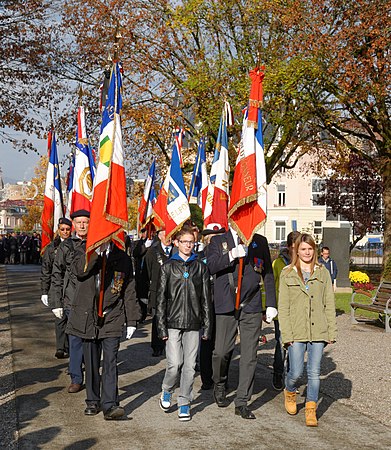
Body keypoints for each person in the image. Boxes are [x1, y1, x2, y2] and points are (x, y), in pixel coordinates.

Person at [207, 228, 277, 419]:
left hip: (252, 304)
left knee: (249, 355)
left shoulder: (260, 241)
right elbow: (210, 266)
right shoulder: (218, 240)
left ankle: (242, 401)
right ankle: (220, 382)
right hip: (226, 303)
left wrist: (270, 303)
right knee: (221, 351)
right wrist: (230, 255)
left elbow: (268, 273)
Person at [68, 240, 141, 420]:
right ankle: (92, 400)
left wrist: (132, 319)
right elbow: (79, 272)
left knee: (110, 361)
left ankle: (110, 405)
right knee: (92, 362)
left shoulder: (122, 257)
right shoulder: (82, 251)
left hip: (112, 316)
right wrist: (95, 253)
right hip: (88, 316)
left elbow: (129, 290)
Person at [279, 233, 337, 427]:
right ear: (296, 250)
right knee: (295, 371)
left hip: (318, 330)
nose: (307, 252)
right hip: (296, 331)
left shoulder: (323, 273)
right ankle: (290, 390)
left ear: (315, 250)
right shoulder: (287, 273)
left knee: (314, 372)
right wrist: (286, 335)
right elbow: (283, 307)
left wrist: (331, 332)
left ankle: (311, 408)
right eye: (303, 249)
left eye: (310, 249)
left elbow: (329, 303)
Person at [156, 226, 212, 421]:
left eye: (191, 242)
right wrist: (161, 326)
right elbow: (161, 299)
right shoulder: (168, 267)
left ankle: (184, 402)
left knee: (189, 366)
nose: (188, 245)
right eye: (185, 241)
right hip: (172, 322)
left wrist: (207, 325)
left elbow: (206, 298)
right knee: (174, 364)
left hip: (194, 323)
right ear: (177, 243)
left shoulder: (201, 267)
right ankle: (167, 389)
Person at [51, 209, 90, 393]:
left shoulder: (96, 243)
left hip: (91, 301)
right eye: (79, 222)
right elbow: (56, 274)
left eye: (85, 222)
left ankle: (90, 374)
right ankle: (76, 377)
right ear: (73, 225)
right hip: (71, 300)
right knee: (74, 341)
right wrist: (55, 302)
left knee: (90, 342)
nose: (82, 225)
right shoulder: (66, 246)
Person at [198, 223, 226, 391]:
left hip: (222, 302)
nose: (215, 241)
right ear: (206, 239)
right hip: (205, 304)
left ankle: (221, 378)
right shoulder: (199, 256)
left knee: (222, 344)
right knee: (206, 342)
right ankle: (207, 379)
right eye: (211, 238)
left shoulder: (226, 255)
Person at [271, 230, 301, 390]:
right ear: (289, 246)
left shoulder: (304, 263)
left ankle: (291, 376)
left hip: (299, 311)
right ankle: (278, 373)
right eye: (295, 247)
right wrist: (268, 306)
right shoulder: (278, 263)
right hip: (282, 310)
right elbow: (270, 284)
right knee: (282, 342)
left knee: (295, 345)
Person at [41, 217, 72, 359]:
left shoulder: (75, 245)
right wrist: (44, 291)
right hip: (57, 286)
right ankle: (61, 347)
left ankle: (70, 347)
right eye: (62, 229)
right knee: (59, 318)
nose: (65, 232)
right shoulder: (52, 248)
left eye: (67, 229)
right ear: (58, 230)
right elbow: (46, 270)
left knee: (70, 318)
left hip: (71, 287)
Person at [144, 229, 173, 357]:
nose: (168, 238)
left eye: (170, 235)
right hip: (157, 292)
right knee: (157, 319)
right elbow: (147, 273)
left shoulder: (177, 251)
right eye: (165, 234)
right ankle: (157, 346)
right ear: (160, 236)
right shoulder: (152, 252)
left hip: (173, 292)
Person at [132, 227, 153, 322]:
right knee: (141, 295)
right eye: (143, 232)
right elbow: (135, 253)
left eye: (146, 232)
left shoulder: (155, 242)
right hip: (141, 273)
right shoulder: (139, 243)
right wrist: (145, 247)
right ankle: (141, 314)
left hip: (151, 273)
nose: (144, 234)